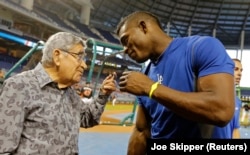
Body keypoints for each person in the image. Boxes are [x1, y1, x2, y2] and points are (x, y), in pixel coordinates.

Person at [115, 11, 235, 154]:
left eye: (126, 40)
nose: (124, 50)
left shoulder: (201, 47)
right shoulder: (145, 75)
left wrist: (151, 88)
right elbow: (141, 130)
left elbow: (221, 110)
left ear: (143, 27)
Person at [0, 32, 117, 154]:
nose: (84, 65)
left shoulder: (69, 92)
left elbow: (87, 119)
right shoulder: (20, 86)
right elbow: (3, 147)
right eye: (79, 56)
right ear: (57, 56)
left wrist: (103, 94)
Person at [212, 58, 243, 138]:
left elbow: (235, 130)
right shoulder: (213, 96)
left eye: (241, 70)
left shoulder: (237, 102)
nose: (240, 73)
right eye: (236, 69)